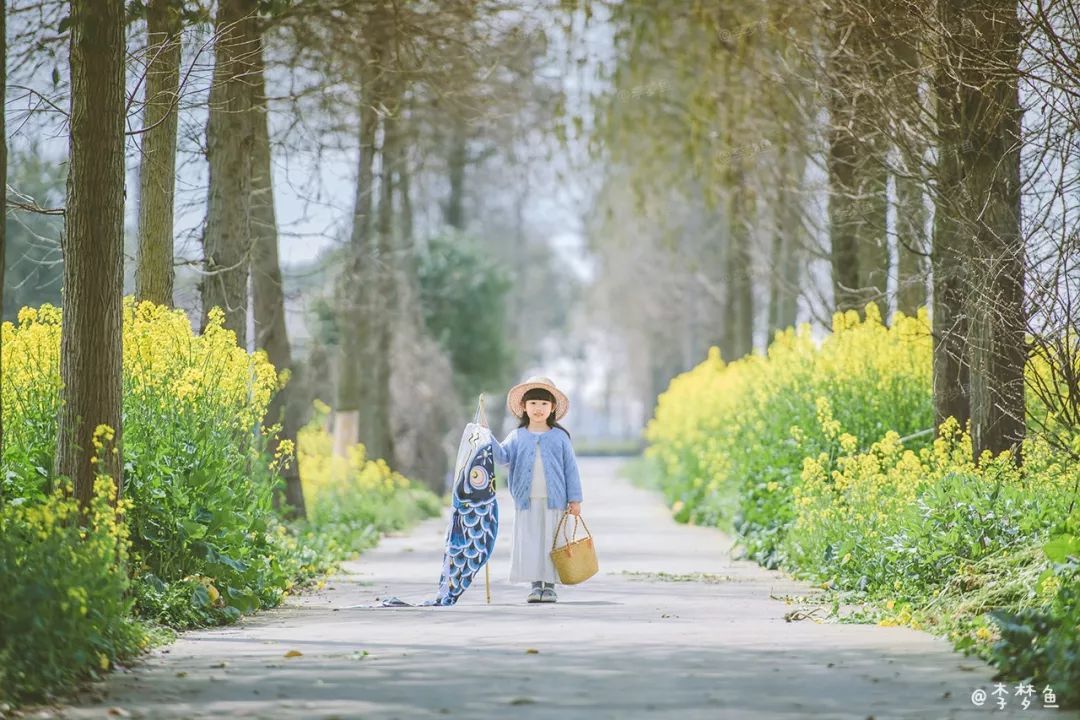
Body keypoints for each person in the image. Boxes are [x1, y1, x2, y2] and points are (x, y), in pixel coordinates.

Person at [491, 376, 583, 603]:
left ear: (552, 407)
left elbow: (570, 469)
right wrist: (486, 437)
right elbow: (502, 457)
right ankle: (535, 586)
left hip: (556, 501)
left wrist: (575, 499)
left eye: (543, 403)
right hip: (526, 500)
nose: (538, 408)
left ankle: (549, 586)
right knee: (531, 542)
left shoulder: (560, 437)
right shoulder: (517, 436)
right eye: (533, 403)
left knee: (552, 542)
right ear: (524, 407)